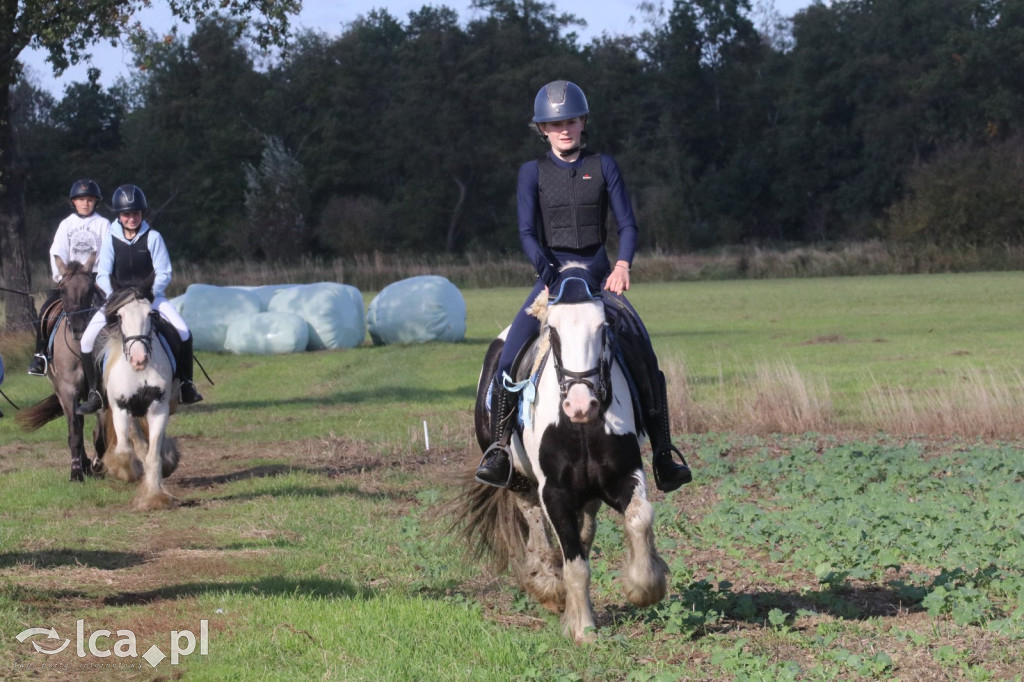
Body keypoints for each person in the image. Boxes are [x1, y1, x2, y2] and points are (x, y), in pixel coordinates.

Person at [474, 80, 692, 493]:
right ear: (542, 129)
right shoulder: (531, 173)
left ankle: (663, 453)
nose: (564, 129)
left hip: (597, 276)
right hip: (551, 277)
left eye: (571, 121)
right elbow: (526, 233)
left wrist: (623, 264)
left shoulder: (604, 165)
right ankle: (500, 450)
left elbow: (627, 223)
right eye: (555, 123)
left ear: (582, 121)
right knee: (508, 356)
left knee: (645, 354)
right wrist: (548, 273)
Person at [75, 184, 203, 414]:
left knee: (183, 331)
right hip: (118, 299)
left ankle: (186, 385)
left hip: (151, 297)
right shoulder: (111, 239)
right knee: (86, 340)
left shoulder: (153, 237)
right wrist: (115, 295)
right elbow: (103, 273)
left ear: (142, 213)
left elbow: (164, 271)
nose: (132, 218)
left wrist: (150, 292)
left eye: (135, 213)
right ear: (119, 216)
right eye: (127, 214)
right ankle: (95, 392)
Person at [27, 180, 108, 376]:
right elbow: (57, 251)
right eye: (81, 200)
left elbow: (108, 252)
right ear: (74, 202)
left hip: (94, 278)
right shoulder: (66, 224)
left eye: (89, 200)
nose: (85, 203)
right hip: (69, 280)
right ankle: (41, 355)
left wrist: (102, 276)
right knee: (46, 310)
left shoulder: (103, 224)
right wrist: (61, 276)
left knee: (113, 311)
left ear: (95, 202)